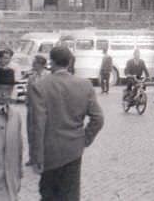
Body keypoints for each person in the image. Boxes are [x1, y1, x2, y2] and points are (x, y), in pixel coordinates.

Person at [28, 46, 104, 201]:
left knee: (49, 194)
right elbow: (98, 118)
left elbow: (37, 125)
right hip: (73, 150)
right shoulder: (84, 85)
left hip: (50, 151)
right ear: (70, 62)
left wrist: (36, 157)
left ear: (51, 62)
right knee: (70, 194)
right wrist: (84, 139)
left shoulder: (41, 86)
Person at [0, 68, 23, 201]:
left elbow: (19, 148)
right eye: (0, 89)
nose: (4, 94)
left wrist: (18, 175)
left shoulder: (15, 116)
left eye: (8, 90)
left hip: (10, 184)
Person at [25, 55, 48, 166]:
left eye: (35, 63)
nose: (33, 64)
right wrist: (27, 103)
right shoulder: (31, 77)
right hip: (32, 109)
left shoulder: (48, 77)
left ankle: (41, 159)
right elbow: (28, 93)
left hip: (43, 110)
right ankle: (32, 157)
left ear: (41, 64)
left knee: (41, 134)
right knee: (31, 132)